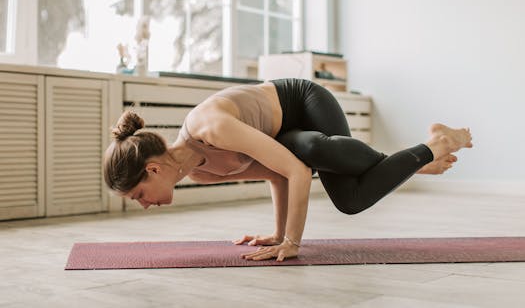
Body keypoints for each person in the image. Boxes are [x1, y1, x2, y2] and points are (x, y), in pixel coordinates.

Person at [104, 78, 473, 262]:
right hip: (288, 138)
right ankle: (417, 157)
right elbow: (276, 173)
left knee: (315, 153)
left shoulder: (210, 128)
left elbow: (297, 171)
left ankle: (436, 145)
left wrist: (291, 243)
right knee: (351, 198)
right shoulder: (200, 173)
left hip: (303, 103)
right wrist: (277, 233)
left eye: (138, 195)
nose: (144, 205)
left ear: (152, 170)